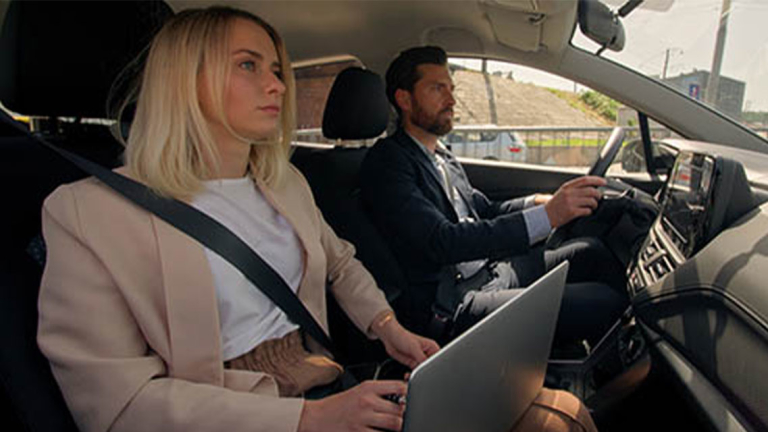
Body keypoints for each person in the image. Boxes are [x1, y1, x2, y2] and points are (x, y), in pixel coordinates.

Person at [37, 8, 595, 432]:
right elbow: (120, 405)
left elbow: (340, 263)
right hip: (235, 415)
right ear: (185, 79)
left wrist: (388, 329)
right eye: (249, 66)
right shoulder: (88, 214)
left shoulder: (282, 181)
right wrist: (309, 419)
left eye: (277, 69)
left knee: (559, 409)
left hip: (326, 378)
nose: (277, 85)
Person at [360, 46, 628, 346]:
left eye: (451, 89)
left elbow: (483, 209)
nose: (451, 100)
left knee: (590, 252)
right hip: (453, 301)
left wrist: (539, 201)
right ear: (404, 99)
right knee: (603, 301)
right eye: (437, 89)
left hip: (491, 272)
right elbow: (441, 241)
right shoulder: (388, 163)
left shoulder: (441, 156)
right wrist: (548, 216)